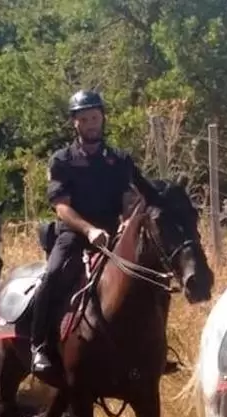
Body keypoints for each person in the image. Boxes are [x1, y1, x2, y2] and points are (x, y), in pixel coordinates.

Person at [29, 89, 165, 374]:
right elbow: (61, 207)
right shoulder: (62, 160)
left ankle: (156, 350)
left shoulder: (119, 159)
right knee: (52, 275)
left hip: (115, 234)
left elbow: (143, 193)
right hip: (75, 234)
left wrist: (132, 218)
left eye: (95, 117)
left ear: (102, 118)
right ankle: (39, 344)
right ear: (74, 123)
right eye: (84, 119)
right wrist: (89, 231)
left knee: (154, 279)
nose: (91, 123)